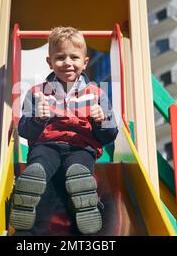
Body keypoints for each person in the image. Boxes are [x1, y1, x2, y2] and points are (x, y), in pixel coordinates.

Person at [9, 26, 118, 235]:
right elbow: (25, 131)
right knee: (39, 164)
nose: (67, 63)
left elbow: (109, 135)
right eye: (60, 57)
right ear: (49, 62)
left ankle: (85, 196)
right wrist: (38, 119)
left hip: (81, 146)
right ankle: (29, 191)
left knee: (78, 168)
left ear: (85, 62)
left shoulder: (95, 94)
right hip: (46, 144)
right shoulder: (37, 93)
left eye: (74, 57)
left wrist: (99, 120)